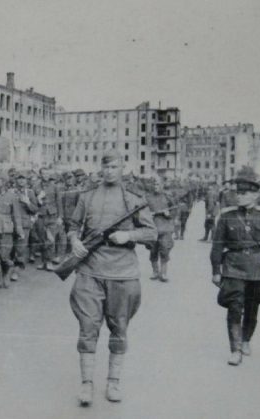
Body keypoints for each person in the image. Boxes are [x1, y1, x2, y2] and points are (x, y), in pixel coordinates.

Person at [67, 150, 156, 405]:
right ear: (100, 168)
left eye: (115, 166)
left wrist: (129, 237)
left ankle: (113, 383)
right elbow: (73, 227)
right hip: (90, 271)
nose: (109, 171)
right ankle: (86, 385)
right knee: (87, 328)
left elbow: (151, 233)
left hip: (122, 274)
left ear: (122, 168)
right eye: (106, 167)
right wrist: (75, 242)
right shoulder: (87, 197)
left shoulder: (134, 199)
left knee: (119, 328)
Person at [210, 173, 260, 366]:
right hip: (233, 266)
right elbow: (217, 246)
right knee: (234, 307)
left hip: (258, 267)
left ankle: (246, 339)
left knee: (252, 307)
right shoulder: (226, 216)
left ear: (256, 195)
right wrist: (216, 269)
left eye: (244, 193)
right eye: (238, 193)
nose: (239, 196)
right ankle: (235, 349)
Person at [145, 177, 176, 282]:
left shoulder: (168, 197)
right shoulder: (148, 198)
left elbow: (175, 210)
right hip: (153, 228)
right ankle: (155, 272)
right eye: (154, 185)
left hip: (165, 229)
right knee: (153, 251)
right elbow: (142, 212)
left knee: (164, 251)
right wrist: (148, 215)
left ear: (162, 185)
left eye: (158, 185)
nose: (155, 187)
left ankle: (163, 273)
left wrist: (169, 214)